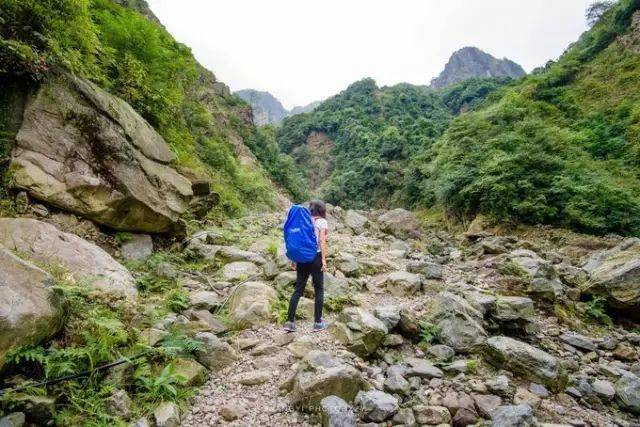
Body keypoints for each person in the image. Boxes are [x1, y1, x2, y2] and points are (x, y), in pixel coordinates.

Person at [284, 200, 329, 332]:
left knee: (298, 289)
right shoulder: (322, 222)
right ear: (322, 210)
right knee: (319, 289)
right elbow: (321, 240)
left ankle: (289, 322)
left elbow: (298, 241)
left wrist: (295, 259)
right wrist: (324, 260)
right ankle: (318, 323)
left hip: (302, 258)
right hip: (315, 257)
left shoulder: (304, 220)